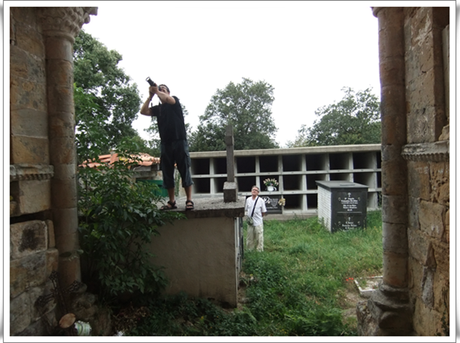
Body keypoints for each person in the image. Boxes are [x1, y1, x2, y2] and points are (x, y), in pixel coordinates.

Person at [140, 83, 194, 210]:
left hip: (180, 141)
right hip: (166, 143)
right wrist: (150, 96)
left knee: (184, 169)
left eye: (163, 89)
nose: (161, 90)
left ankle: (189, 200)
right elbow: (143, 111)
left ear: (168, 92)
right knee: (167, 172)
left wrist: (158, 91)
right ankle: (172, 201)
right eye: (160, 89)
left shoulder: (174, 101)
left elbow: (168, 99)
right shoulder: (159, 109)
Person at [244, 185, 267, 251]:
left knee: (259, 236)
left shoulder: (261, 200)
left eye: (255, 190)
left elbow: (263, 211)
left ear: (258, 192)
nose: (254, 191)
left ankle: (259, 250)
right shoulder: (248, 199)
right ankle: (250, 249)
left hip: (258, 222)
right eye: (253, 190)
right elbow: (246, 209)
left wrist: (259, 217)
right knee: (249, 236)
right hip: (250, 222)